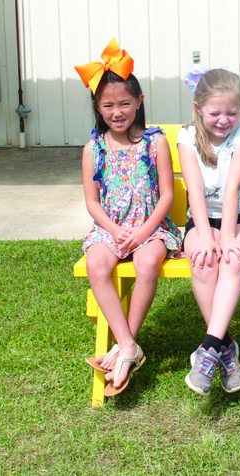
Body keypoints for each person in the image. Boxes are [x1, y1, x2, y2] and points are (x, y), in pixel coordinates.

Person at [75, 39, 183, 397]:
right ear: (97, 107)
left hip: (150, 228)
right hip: (111, 227)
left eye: (125, 103)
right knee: (97, 265)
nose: (117, 111)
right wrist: (116, 230)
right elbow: (92, 202)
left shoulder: (154, 143)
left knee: (148, 262)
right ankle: (127, 345)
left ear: (139, 102)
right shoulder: (94, 148)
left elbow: (166, 195)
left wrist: (141, 232)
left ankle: (125, 348)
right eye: (108, 105)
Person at [177, 66, 240, 396]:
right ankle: (224, 351)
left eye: (232, 112)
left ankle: (208, 348)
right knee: (201, 258)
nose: (224, 120)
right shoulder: (187, 137)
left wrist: (225, 237)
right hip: (200, 218)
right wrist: (206, 234)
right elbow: (194, 191)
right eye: (215, 113)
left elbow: (231, 189)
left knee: (233, 258)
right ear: (199, 109)